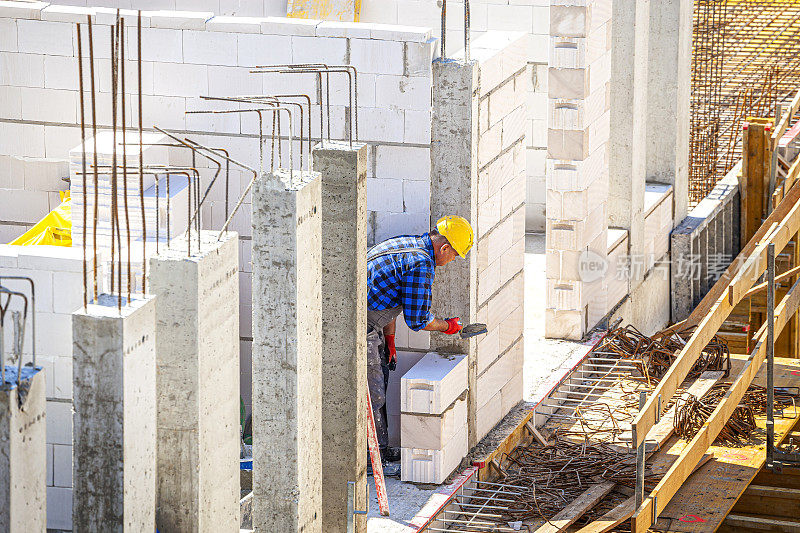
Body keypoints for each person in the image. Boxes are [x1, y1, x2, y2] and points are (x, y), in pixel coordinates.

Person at [366, 215, 474, 474]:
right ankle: (369, 461)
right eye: (455, 255)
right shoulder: (422, 265)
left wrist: (390, 340)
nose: (452, 261)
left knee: (380, 379)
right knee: (372, 394)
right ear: (445, 248)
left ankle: (378, 450)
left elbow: (389, 299)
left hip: (370, 319)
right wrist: (447, 326)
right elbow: (418, 320)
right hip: (353, 325)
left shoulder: (407, 244)